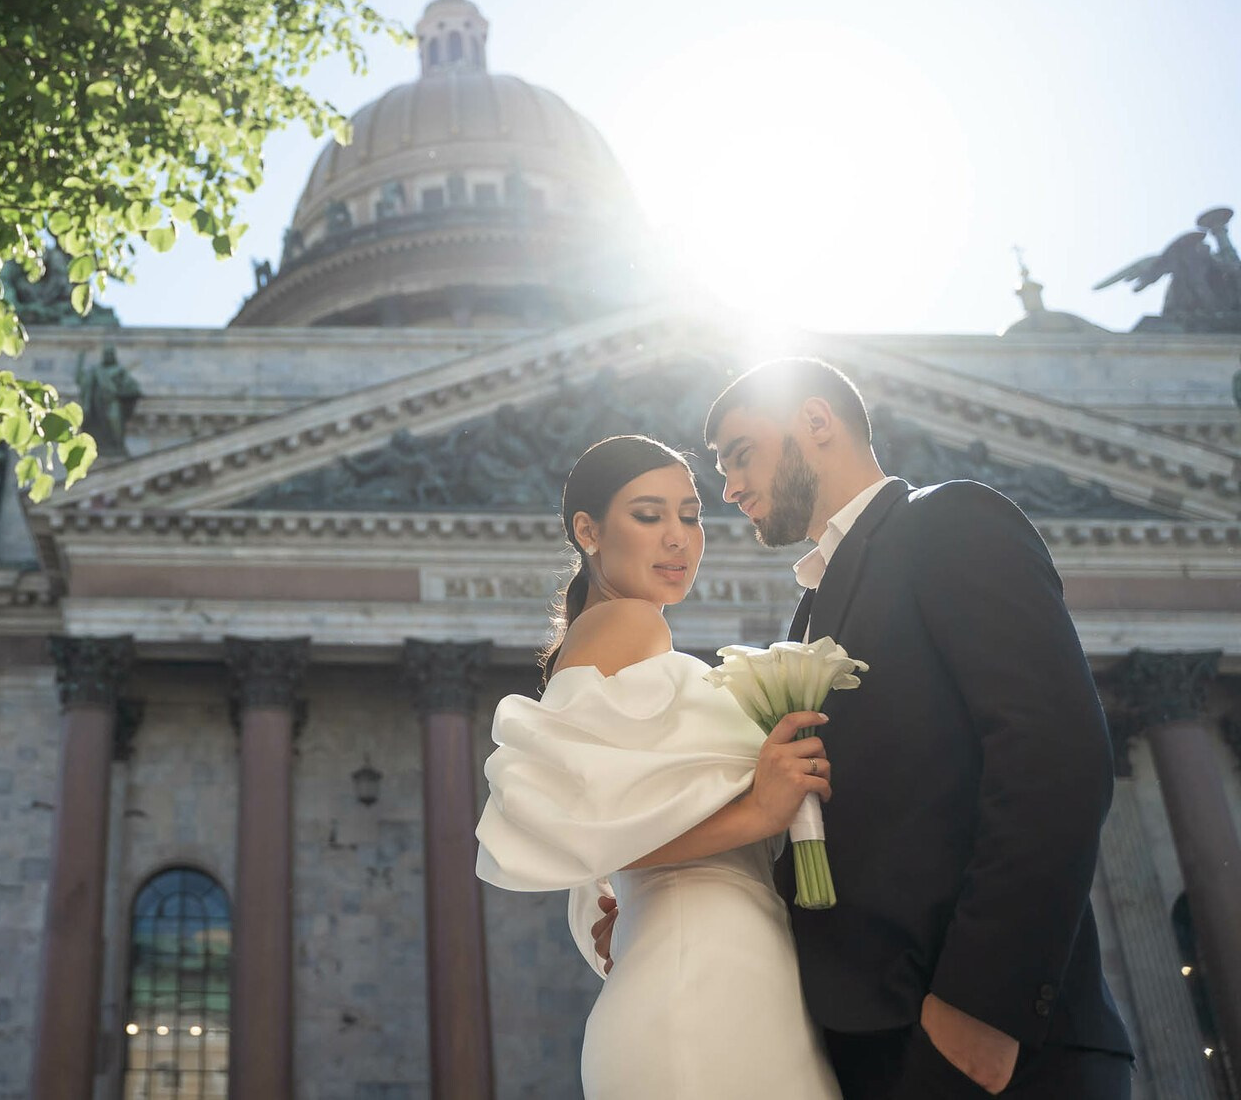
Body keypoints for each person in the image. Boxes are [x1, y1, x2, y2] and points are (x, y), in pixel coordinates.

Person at [595, 358, 1134, 1099]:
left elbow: (1055, 755)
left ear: (816, 422)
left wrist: (981, 1014)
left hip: (989, 1051)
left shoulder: (949, 520)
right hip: (867, 1051)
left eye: (740, 453)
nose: (727, 489)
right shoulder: (810, 611)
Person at [476, 435, 843, 1100]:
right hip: (703, 979)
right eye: (649, 515)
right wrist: (760, 810)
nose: (678, 538)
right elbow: (571, 822)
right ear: (587, 530)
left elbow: (602, 823)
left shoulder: (614, 633)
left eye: (691, 514)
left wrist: (623, 897)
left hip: (706, 966)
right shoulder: (630, 624)